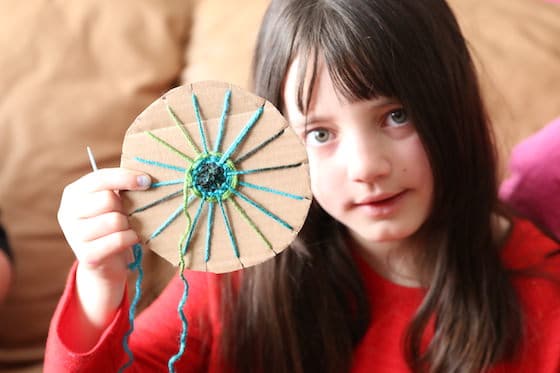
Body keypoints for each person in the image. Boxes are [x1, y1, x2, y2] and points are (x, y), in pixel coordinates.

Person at [44, 0, 560, 372]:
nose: (366, 168)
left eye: (396, 116)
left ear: (453, 102)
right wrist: (98, 287)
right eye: (319, 133)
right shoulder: (237, 276)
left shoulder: (543, 291)